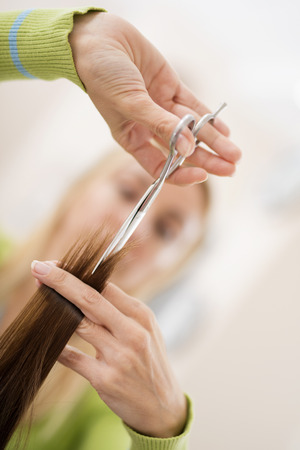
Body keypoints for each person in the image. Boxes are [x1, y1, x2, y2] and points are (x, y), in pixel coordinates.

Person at [0, 7, 241, 448]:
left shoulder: (103, 410)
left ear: (169, 270)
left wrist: (162, 428)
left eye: (168, 230)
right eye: (129, 191)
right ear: (76, 192)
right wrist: (69, 45)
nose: (138, 227)